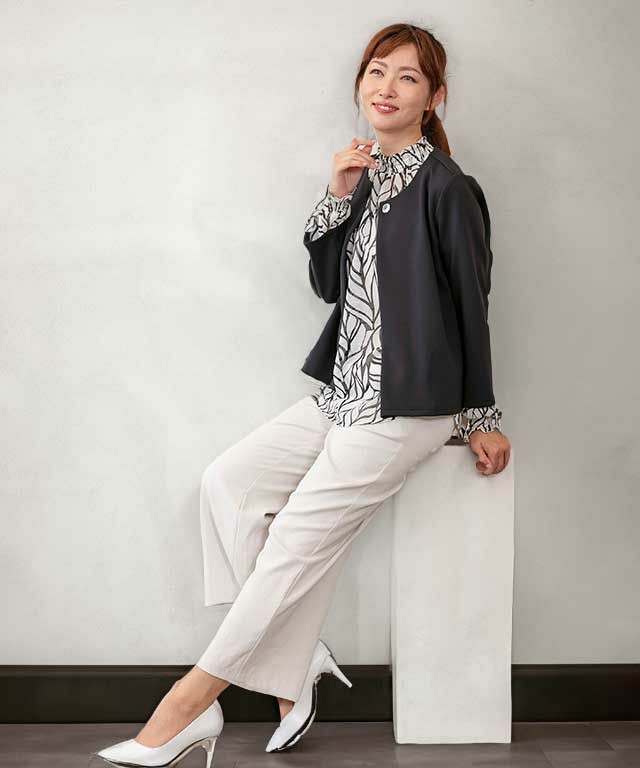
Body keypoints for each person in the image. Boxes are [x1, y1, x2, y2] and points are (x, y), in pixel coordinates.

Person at [94, 21, 511, 768]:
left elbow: (471, 304)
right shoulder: (364, 176)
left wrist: (480, 415)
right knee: (228, 486)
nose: (387, 86)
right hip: (342, 392)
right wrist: (336, 195)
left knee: (291, 544)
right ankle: (293, 656)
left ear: (435, 98)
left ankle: (187, 707)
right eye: (377, 71)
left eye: (408, 77)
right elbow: (329, 287)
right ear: (360, 85)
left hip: (406, 406)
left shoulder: (449, 188)